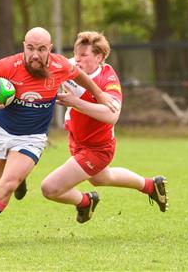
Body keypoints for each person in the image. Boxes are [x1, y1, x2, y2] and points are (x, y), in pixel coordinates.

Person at [0, 27, 118, 247]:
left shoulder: (59, 65)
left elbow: (79, 75)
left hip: (31, 138)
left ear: (49, 50)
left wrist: (99, 94)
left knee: (6, 186)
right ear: (24, 46)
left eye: (41, 49)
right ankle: (21, 177)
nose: (35, 55)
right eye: (31, 48)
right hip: (1, 130)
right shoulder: (10, 65)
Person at [40, 31, 169, 224]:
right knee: (101, 178)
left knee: (49, 188)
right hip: (77, 140)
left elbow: (112, 115)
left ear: (99, 57)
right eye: (77, 53)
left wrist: (76, 102)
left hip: (97, 149)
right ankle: (151, 185)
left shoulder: (108, 79)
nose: (78, 59)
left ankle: (85, 201)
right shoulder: (71, 65)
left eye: (84, 55)